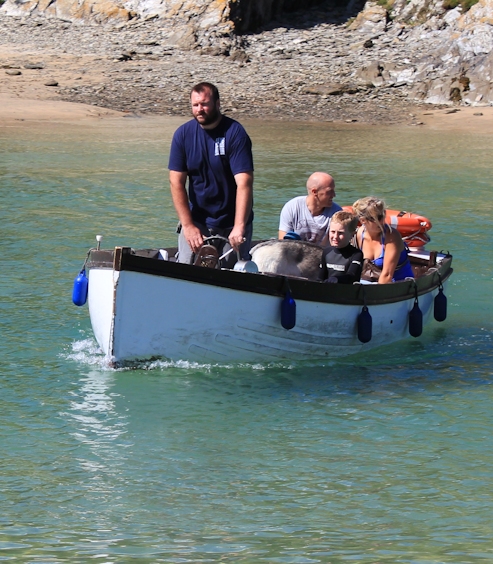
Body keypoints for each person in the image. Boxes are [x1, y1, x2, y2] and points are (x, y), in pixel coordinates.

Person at [168, 82, 254, 267]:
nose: (200, 109)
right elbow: (176, 183)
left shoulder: (235, 133)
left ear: (217, 103)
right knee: (185, 271)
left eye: (205, 104)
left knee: (231, 276)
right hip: (197, 221)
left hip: (232, 223)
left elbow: (244, 183)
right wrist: (189, 226)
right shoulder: (183, 135)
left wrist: (239, 226)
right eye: (195, 105)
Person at [353, 196, 414, 284]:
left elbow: (387, 275)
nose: (381, 221)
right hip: (370, 280)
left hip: (398, 283)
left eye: (382, 216)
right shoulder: (360, 234)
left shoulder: (392, 236)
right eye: (375, 218)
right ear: (363, 220)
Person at [278, 172, 341, 245]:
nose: (334, 195)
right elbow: (282, 243)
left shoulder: (336, 212)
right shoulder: (292, 207)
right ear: (314, 192)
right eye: (329, 191)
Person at [322, 211, 363, 284]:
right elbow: (320, 278)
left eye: (340, 233)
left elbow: (352, 276)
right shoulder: (326, 252)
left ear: (352, 235)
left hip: (347, 293)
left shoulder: (356, 254)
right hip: (328, 291)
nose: (335, 237)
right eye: (333, 232)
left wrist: (337, 279)